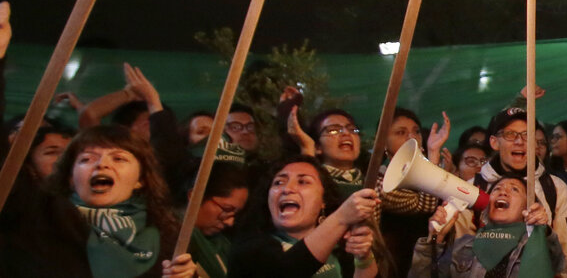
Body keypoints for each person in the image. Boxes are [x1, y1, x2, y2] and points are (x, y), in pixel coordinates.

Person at [0, 125, 196, 277]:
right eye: (86, 159)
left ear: (140, 179)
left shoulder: (167, 238)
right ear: (70, 177)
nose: (102, 164)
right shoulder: (38, 221)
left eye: (118, 159)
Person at [229, 155, 380, 277]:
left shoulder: (340, 245)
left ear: (323, 200)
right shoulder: (249, 249)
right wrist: (340, 217)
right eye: (278, 182)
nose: (287, 189)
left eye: (303, 182)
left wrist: (363, 257)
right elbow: (284, 272)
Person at [467, 108, 567, 264]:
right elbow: (460, 258)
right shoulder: (472, 188)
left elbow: (565, 257)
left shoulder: (555, 188)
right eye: (510, 134)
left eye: (527, 134)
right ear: (494, 142)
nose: (519, 141)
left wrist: (544, 232)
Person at [408, 174, 564, 277]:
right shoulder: (463, 246)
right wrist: (435, 239)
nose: (503, 192)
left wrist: (541, 231)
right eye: (497, 189)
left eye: (514, 189)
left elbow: (556, 263)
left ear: (527, 208)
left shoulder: (535, 244)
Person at [375, 107, 449, 277]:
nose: (412, 137)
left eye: (416, 132)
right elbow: (424, 204)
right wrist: (433, 155)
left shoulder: (432, 173)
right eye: (401, 132)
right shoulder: (379, 180)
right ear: (383, 141)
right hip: (396, 267)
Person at [287, 107, 365, 200]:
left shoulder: (377, 181)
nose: (346, 133)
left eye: (352, 129)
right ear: (318, 147)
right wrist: (307, 148)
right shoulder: (318, 183)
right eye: (333, 130)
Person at [188, 163, 249, 278]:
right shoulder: (170, 239)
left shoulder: (223, 244)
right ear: (194, 196)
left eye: (236, 214)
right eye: (226, 210)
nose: (229, 222)